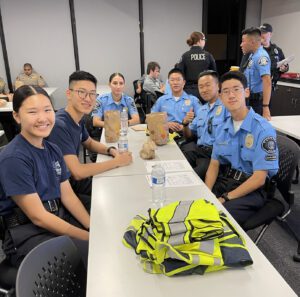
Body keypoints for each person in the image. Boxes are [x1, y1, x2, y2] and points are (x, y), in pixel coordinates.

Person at [0, 85, 90, 267]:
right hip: (27, 232)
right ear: (17, 116)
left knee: (104, 237)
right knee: (87, 260)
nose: (42, 118)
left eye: (48, 110)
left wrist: (90, 227)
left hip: (57, 216)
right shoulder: (14, 158)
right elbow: (38, 216)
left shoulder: (52, 149)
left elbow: (67, 195)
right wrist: (87, 238)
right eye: (32, 112)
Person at [47, 71, 132, 211]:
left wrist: (111, 150)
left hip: (72, 181)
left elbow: (90, 142)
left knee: (117, 187)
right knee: (111, 204)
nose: (88, 98)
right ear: (68, 94)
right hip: (61, 189)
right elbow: (78, 172)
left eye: (92, 93)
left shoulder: (77, 119)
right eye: (82, 92)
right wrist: (117, 162)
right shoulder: (60, 125)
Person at [205, 71, 278, 225]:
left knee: (217, 219)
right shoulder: (222, 127)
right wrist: (206, 192)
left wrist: (225, 198)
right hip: (227, 181)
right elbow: (214, 164)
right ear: (221, 97)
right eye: (226, 91)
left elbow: (259, 179)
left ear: (246, 92)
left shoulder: (262, 129)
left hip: (253, 190)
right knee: (196, 205)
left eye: (236, 89)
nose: (231, 95)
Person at [181, 70, 229, 180]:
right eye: (201, 86)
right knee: (177, 164)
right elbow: (189, 136)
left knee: (191, 177)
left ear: (218, 86)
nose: (204, 90)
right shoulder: (202, 109)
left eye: (208, 85)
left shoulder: (227, 107)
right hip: (198, 150)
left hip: (215, 156)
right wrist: (185, 124)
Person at [151, 68, 201, 133]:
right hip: (165, 135)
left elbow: (202, 118)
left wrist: (186, 126)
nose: (175, 83)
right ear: (168, 82)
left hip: (186, 135)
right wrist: (165, 124)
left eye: (178, 80)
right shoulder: (161, 100)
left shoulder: (193, 100)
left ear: (184, 82)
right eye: (172, 80)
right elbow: (150, 118)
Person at [240, 27, 272, 120]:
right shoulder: (252, 55)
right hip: (249, 99)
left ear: (252, 42)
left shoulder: (261, 57)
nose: (241, 44)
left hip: (257, 102)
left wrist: (265, 107)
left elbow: (267, 82)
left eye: (243, 41)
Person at [176, 31, 217, 102]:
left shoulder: (185, 56)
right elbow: (214, 74)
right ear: (200, 40)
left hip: (189, 91)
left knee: (190, 112)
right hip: (205, 91)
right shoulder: (208, 55)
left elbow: (179, 73)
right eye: (204, 40)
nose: (205, 42)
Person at [260, 23, 289, 90]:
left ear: (270, 34)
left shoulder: (277, 50)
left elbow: (285, 64)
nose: (261, 35)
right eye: (260, 32)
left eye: (264, 32)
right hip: (259, 86)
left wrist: (284, 68)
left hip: (272, 86)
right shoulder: (256, 50)